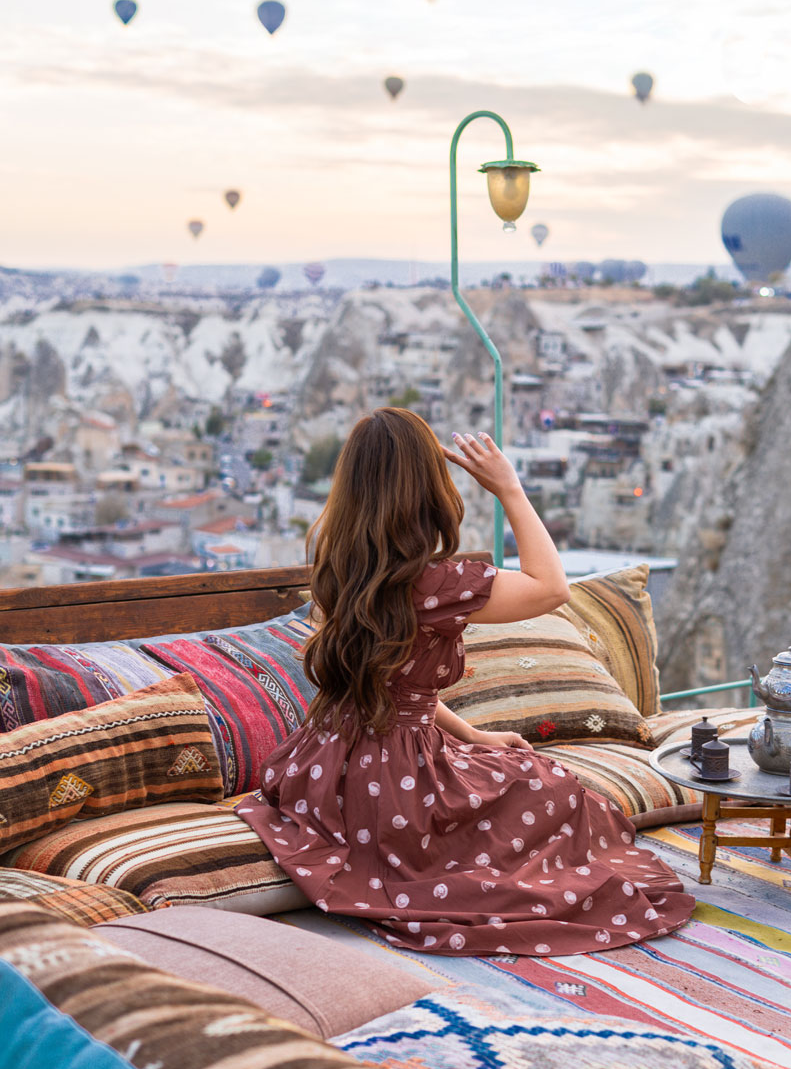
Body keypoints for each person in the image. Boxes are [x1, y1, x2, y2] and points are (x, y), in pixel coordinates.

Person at [238, 408, 695, 955]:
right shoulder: (437, 583)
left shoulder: (341, 569)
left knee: (502, 769)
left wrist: (473, 738)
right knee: (546, 784)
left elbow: (395, 696)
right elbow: (551, 588)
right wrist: (510, 490)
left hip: (324, 772)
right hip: (399, 789)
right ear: (429, 490)